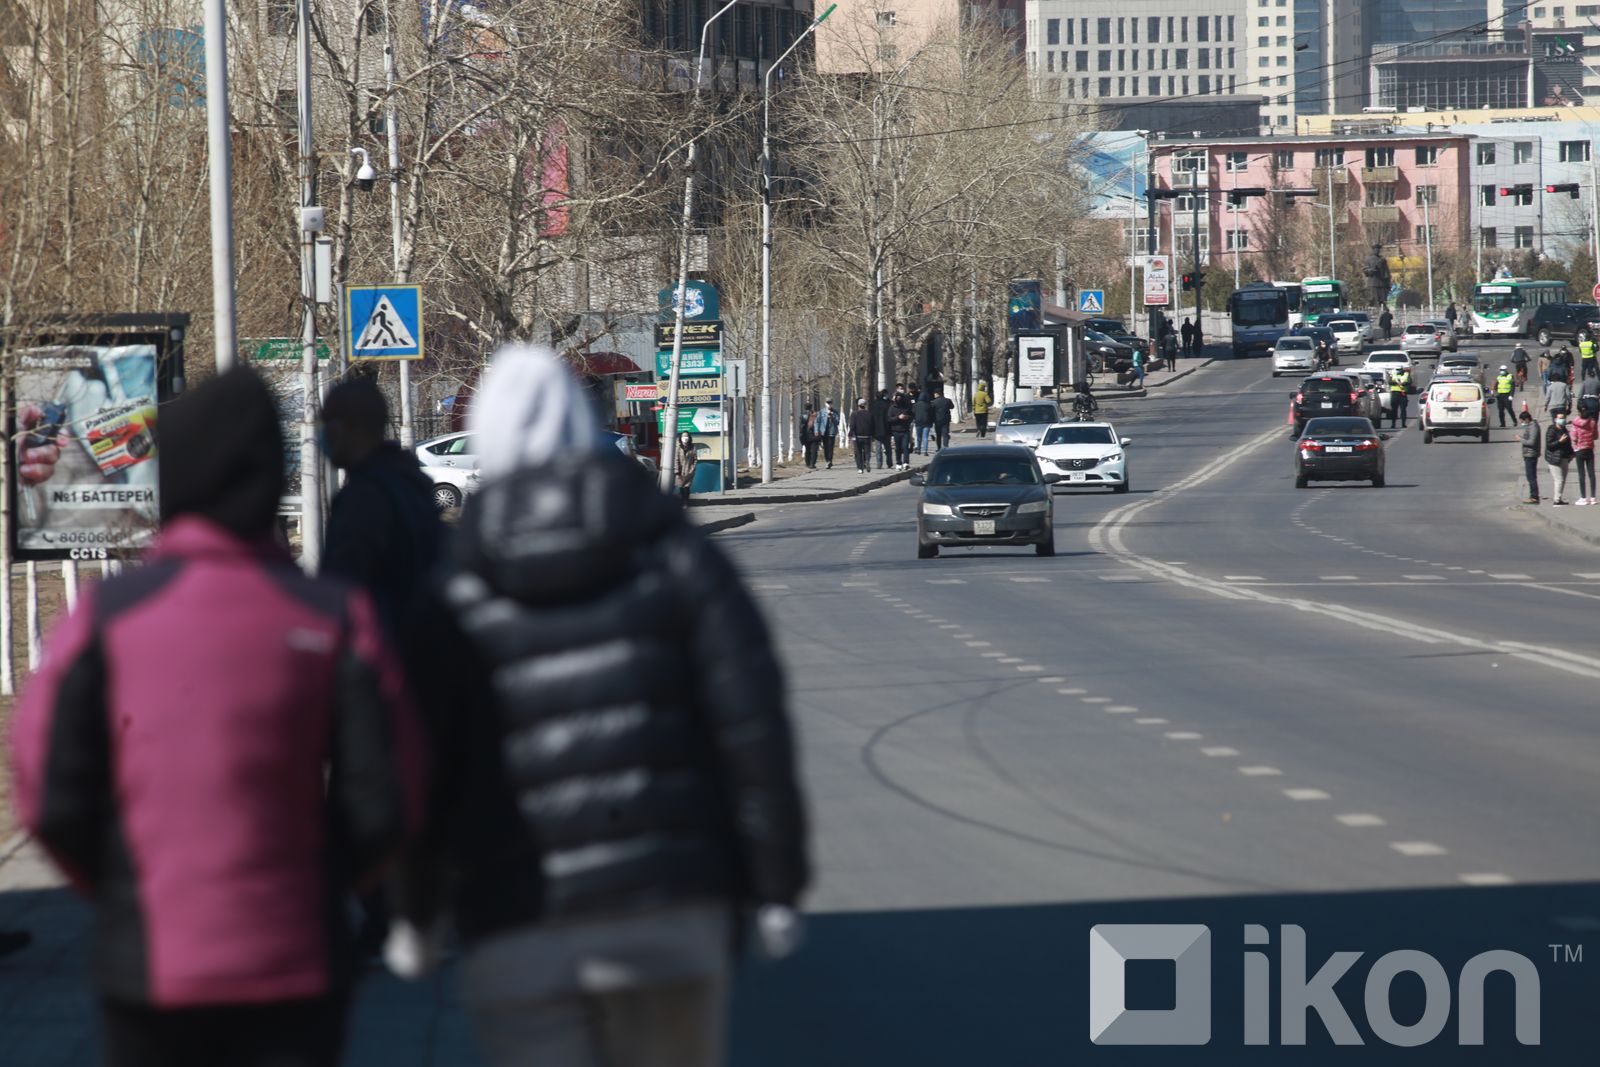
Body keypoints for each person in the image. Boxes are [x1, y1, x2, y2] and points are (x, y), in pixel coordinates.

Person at [399, 347, 809, 1067]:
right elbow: (749, 724)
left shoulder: (454, 590)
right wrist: (774, 882)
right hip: (671, 918)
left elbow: (422, 756)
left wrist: (416, 906)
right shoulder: (675, 556)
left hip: (518, 926)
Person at [10, 367, 425, 1067]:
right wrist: (326, 886)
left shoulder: (106, 619)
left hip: (149, 963)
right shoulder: (330, 619)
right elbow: (392, 788)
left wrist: (117, 888)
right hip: (297, 959)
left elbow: (45, 785)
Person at [320, 378, 445, 633]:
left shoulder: (363, 499)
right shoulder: (409, 482)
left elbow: (342, 592)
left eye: (327, 422)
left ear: (349, 426)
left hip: (386, 650)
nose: (323, 433)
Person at [1547, 410, 1576, 505]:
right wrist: (1559, 441)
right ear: (1555, 419)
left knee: (1563, 479)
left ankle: (1559, 498)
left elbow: (1568, 443)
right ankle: (1556, 500)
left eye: (1563, 418)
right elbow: (1549, 445)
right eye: (1560, 418)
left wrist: (1572, 453)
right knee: (1559, 479)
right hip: (1554, 458)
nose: (1562, 420)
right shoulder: (1551, 429)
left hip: (1564, 457)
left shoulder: (1564, 429)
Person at [1571, 402, 1597, 505]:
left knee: (1582, 474)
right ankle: (1593, 497)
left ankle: (1583, 497)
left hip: (1579, 450)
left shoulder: (1576, 423)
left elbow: (1574, 437)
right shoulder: (1592, 422)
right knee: (1591, 473)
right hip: (1589, 448)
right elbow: (1595, 436)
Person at [1519, 410, 1542, 504]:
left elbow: (1532, 442)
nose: (1522, 423)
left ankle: (1534, 496)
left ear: (1527, 419)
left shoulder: (1533, 427)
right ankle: (1533, 495)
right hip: (1529, 454)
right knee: (1530, 476)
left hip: (1531, 454)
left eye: (1522, 421)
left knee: (1531, 476)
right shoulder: (1531, 426)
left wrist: (1520, 439)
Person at [890, 384, 914, 470]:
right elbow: (889, 419)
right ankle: (898, 462)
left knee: (905, 447)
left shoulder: (906, 407)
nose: (899, 399)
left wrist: (907, 418)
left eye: (900, 397)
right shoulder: (892, 408)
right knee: (898, 448)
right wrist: (898, 417)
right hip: (896, 430)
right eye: (897, 397)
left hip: (905, 430)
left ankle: (906, 462)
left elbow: (911, 415)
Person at [850, 397, 874, 473]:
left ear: (858, 405)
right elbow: (873, 425)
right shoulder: (869, 414)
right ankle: (867, 460)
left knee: (858, 452)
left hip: (857, 436)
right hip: (867, 436)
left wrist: (850, 434)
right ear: (865, 405)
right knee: (867, 451)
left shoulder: (854, 414)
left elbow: (852, 425)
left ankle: (860, 468)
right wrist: (872, 434)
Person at [871, 389, 892, 468]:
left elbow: (872, 418)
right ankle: (889, 462)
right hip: (887, 429)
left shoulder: (874, 405)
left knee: (878, 448)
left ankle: (879, 463)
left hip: (877, 430)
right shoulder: (888, 404)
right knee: (888, 447)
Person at [674, 431, 697, 503]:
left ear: (689, 438)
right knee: (681, 487)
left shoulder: (693, 447)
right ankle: (682, 501)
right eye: (683, 436)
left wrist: (692, 470)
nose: (685, 438)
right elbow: (676, 460)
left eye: (686, 436)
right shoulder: (678, 448)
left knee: (687, 487)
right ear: (680, 438)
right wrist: (677, 472)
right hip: (680, 472)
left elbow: (695, 460)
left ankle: (686, 501)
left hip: (689, 471)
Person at [816, 400, 840, 469]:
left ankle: (830, 460)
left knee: (831, 447)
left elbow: (837, 422)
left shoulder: (835, 412)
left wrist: (832, 417)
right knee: (826, 447)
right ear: (825, 404)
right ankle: (827, 460)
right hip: (824, 432)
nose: (829, 405)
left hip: (832, 432)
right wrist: (817, 430)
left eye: (830, 403)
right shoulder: (821, 412)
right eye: (828, 403)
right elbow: (818, 421)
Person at [912, 386, 933, 455]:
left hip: (918, 422)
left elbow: (913, 412)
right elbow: (931, 414)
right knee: (925, 437)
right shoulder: (928, 405)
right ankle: (925, 451)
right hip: (927, 422)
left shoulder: (915, 405)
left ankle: (918, 449)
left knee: (918, 437)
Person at [799, 402, 819, 470]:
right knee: (814, 450)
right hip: (815, 435)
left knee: (807, 449)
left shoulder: (802, 415)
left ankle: (807, 463)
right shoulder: (815, 414)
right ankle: (812, 463)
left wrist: (801, 435)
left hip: (806, 435)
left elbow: (801, 426)